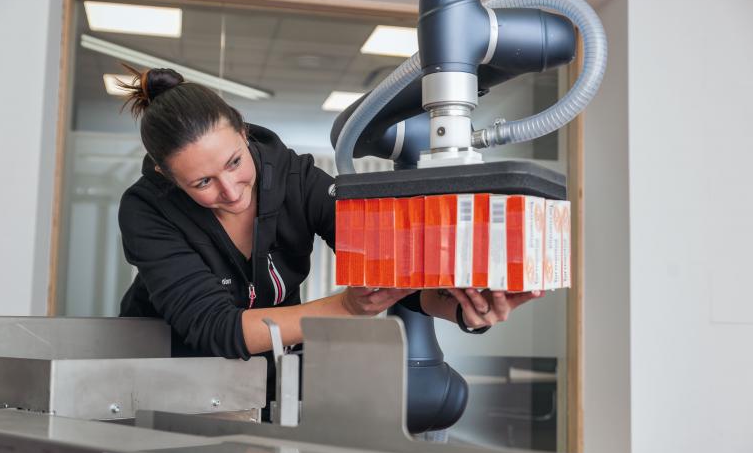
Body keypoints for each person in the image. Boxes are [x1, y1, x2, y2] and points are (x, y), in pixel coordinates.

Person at [116, 66, 540, 381]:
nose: (230, 190)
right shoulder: (147, 211)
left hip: (268, 378)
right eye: (203, 182)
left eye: (234, 162)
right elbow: (217, 328)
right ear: (166, 177)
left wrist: (464, 309)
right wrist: (346, 307)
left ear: (243, 133)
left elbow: (392, 274)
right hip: (165, 377)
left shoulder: (296, 180)